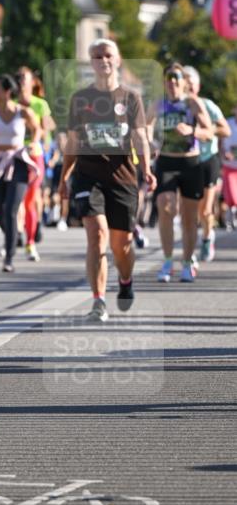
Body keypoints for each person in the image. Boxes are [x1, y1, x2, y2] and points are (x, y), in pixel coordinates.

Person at [58, 39, 156, 321]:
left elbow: (140, 137)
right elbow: (73, 141)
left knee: (121, 245)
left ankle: (125, 280)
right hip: (88, 177)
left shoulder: (131, 98)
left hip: (122, 179)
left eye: (108, 55)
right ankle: (98, 301)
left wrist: (147, 169)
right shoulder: (80, 99)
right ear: (91, 62)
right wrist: (64, 177)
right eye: (97, 56)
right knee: (96, 234)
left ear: (118, 59)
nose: (103, 60)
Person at [147, 63, 212, 283]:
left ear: (184, 82)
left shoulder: (193, 103)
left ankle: (186, 262)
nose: (172, 83)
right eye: (168, 79)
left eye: (176, 79)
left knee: (189, 218)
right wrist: (150, 142)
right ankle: (167, 262)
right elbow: (146, 127)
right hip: (166, 162)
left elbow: (209, 132)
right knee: (165, 207)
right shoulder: (158, 104)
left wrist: (192, 130)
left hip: (190, 163)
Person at [0, 75, 39, 273]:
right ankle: (13, 235)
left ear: (7, 91)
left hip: (18, 162)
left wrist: (33, 143)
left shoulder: (23, 112)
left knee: (12, 208)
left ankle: (9, 257)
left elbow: (37, 129)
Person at [183, 66, 229, 262]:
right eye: (185, 82)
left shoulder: (207, 105)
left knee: (205, 209)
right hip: (185, 160)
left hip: (207, 158)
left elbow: (225, 130)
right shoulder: (176, 107)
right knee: (188, 210)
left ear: (198, 86)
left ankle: (207, 237)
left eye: (191, 83)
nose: (188, 87)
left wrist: (206, 129)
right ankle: (189, 250)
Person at [18, 68, 55, 262]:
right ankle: (17, 233)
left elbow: (46, 129)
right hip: (15, 155)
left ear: (32, 82)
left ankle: (32, 233)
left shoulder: (40, 104)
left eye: (24, 78)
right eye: (18, 78)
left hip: (35, 155)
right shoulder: (11, 104)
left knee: (32, 198)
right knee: (17, 200)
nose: (21, 82)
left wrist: (45, 146)